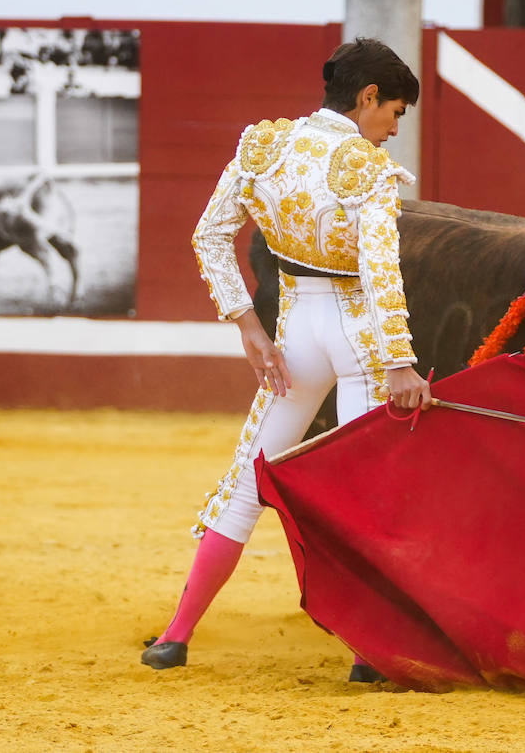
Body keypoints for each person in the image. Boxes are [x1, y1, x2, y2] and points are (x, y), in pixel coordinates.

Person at [141, 38, 431, 678]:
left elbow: (209, 235)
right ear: (368, 98)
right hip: (358, 339)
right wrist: (399, 362)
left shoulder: (264, 147)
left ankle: (175, 636)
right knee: (365, 494)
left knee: (245, 484)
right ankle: (365, 653)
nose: (393, 130)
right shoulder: (367, 169)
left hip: (292, 334)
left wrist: (247, 325)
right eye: (394, 113)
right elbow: (381, 271)